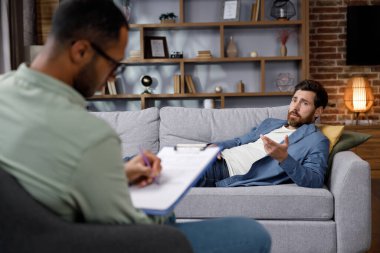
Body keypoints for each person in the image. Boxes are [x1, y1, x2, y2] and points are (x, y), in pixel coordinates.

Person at [0, 0, 271, 252]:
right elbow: (133, 228)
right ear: (81, 51)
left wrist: (118, 173)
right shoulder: (90, 136)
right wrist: (162, 195)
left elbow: (51, 167)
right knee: (253, 233)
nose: (111, 76)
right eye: (114, 66)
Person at [197, 80, 329, 189]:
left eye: (304, 103)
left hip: (224, 170)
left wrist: (284, 158)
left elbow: (315, 179)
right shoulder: (270, 123)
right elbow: (238, 141)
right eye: (294, 100)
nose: (295, 107)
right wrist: (216, 146)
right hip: (214, 157)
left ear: (317, 111)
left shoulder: (317, 140)